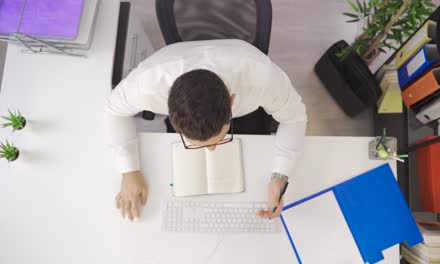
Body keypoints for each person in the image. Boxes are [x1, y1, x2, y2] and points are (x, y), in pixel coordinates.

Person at [106, 39, 307, 222]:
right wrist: (129, 170)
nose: (211, 151)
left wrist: (280, 177)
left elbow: (295, 117)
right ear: (168, 112)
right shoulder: (147, 85)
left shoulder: (261, 77)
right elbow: (113, 111)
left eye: (218, 140)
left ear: (232, 101)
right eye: (199, 145)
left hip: (241, 62)